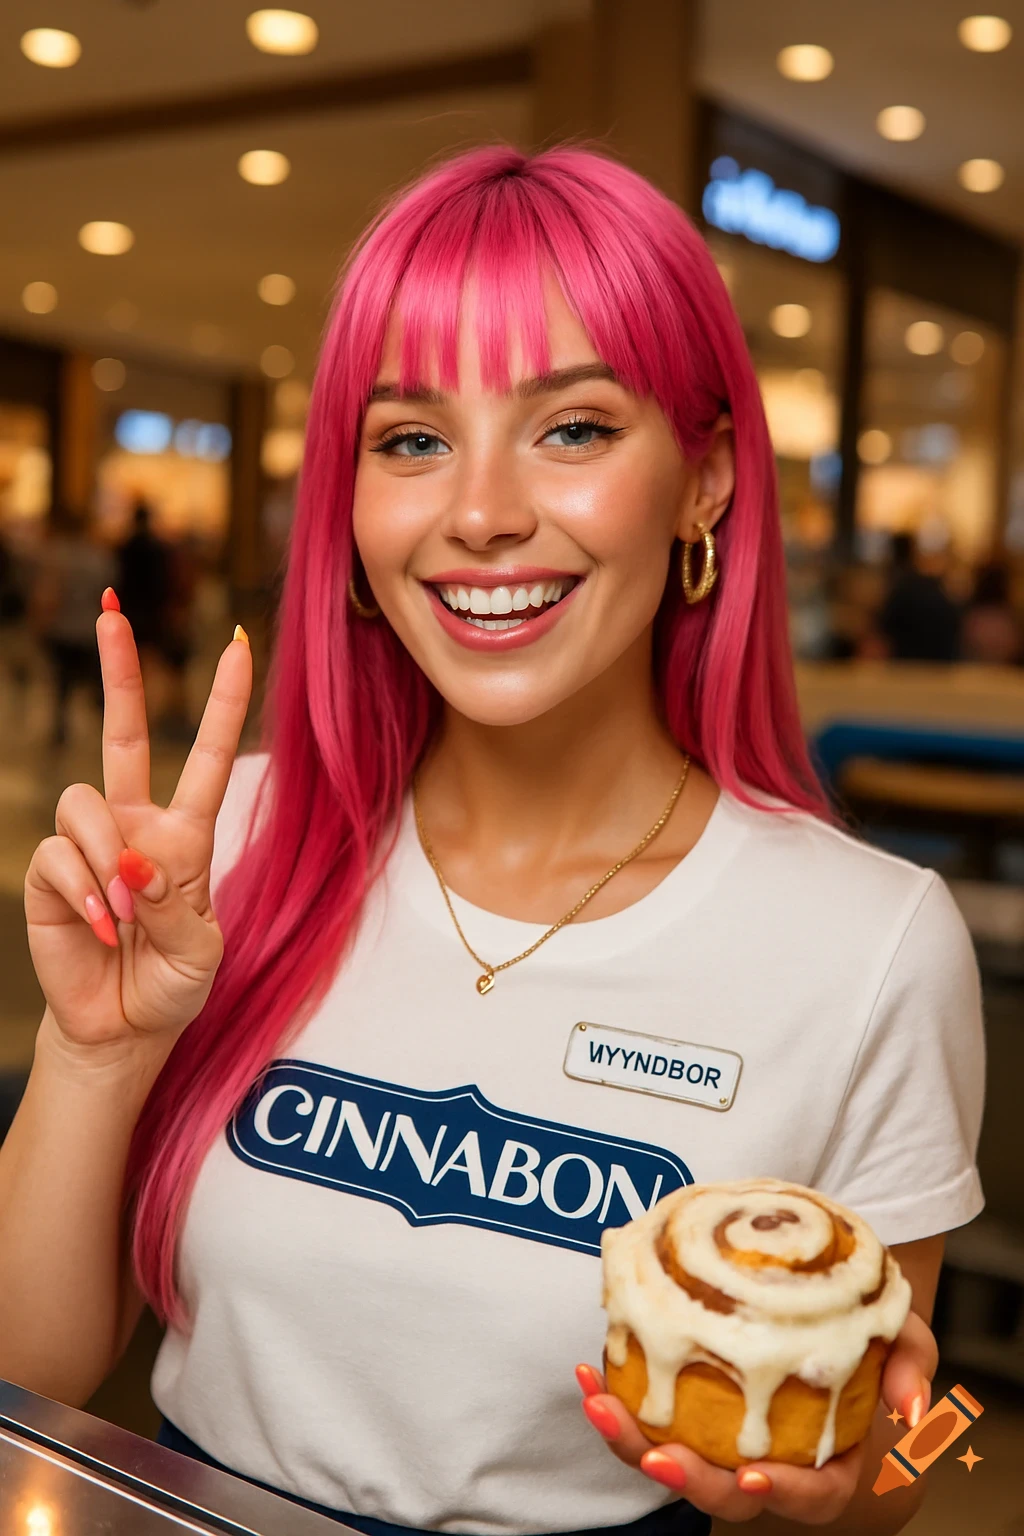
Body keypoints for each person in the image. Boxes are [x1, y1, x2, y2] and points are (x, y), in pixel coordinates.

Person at [5, 145, 984, 1536]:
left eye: (572, 428)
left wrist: (854, 1482)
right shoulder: (237, 839)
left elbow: (928, 1438)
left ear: (704, 480)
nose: (479, 514)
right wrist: (93, 1050)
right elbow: (28, 1378)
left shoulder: (871, 941)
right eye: (412, 440)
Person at [28, 503, 115, 747]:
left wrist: (40, 621)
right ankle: (109, 726)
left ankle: (60, 729)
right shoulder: (99, 557)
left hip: (62, 629)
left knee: (61, 683)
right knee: (97, 683)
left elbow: (48, 593)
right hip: (91, 628)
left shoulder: (56, 555)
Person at [875, 531, 961, 662]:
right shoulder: (930, 585)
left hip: (904, 663)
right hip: (938, 665)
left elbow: (885, 628)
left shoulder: (899, 585)